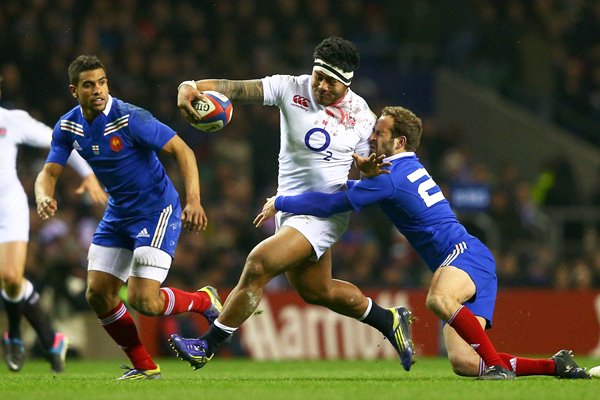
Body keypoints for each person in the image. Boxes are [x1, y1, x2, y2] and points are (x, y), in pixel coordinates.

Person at [253, 105, 591, 380]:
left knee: (439, 299)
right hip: (475, 260)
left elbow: (331, 204)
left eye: (379, 133)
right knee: (465, 363)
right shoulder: (402, 168)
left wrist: (281, 202)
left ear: (399, 142)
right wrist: (364, 172)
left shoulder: (388, 179)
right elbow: (365, 187)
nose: (371, 137)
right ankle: (554, 365)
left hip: (463, 256)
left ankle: (499, 368)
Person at [169, 37, 414, 371]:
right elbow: (233, 88)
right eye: (318, 77)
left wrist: (369, 172)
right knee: (318, 291)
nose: (322, 86)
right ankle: (389, 321)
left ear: (348, 83)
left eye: (332, 82)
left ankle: (207, 344)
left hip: (326, 209)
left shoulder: (362, 118)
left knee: (259, 263)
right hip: (291, 208)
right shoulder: (290, 88)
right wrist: (190, 86)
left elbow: (381, 170)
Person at [34, 55, 223, 380]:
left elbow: (183, 151)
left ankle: (203, 301)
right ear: (74, 91)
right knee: (97, 294)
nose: (98, 90)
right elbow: (49, 172)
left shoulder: (130, 118)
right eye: (89, 85)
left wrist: (194, 201)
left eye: (102, 82)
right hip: (118, 214)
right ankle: (144, 366)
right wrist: (42, 195)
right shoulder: (68, 126)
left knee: (143, 300)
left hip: (157, 210)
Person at [0, 75, 107, 373]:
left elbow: (59, 142)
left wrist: (86, 174)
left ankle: (15, 335)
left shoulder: (10, 120)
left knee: (10, 277)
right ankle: (50, 339)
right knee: (9, 280)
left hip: (7, 207)